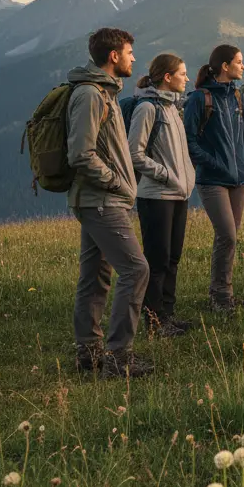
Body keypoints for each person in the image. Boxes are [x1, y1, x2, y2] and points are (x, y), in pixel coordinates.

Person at [66, 27, 152, 378]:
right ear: (113, 56)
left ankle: (88, 354)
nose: (134, 58)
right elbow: (80, 154)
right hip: (102, 200)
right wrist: (116, 182)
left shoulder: (105, 92)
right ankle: (118, 358)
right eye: (130, 52)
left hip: (100, 199)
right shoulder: (91, 94)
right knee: (136, 270)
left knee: (96, 276)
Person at [128, 52, 197, 336]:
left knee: (173, 258)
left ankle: (167, 316)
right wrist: (167, 175)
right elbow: (134, 153)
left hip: (178, 195)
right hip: (156, 196)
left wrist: (185, 179)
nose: (187, 78)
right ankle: (154, 323)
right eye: (182, 73)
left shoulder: (172, 108)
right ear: (167, 77)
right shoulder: (147, 109)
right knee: (158, 260)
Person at [184, 44, 244, 313]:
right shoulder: (199, 99)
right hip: (212, 179)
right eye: (239, 61)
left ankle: (224, 294)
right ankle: (220, 296)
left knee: (231, 236)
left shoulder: (238, 96)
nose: (243, 66)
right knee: (227, 235)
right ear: (225, 66)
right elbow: (189, 141)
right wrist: (215, 164)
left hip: (238, 179)